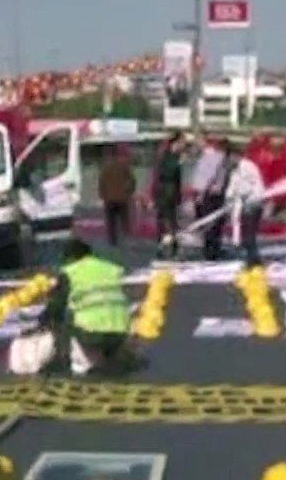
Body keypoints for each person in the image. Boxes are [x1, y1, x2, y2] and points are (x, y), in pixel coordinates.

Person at [39, 238, 134, 374]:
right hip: (121, 331)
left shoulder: (71, 272)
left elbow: (56, 308)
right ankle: (114, 358)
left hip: (91, 333)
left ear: (70, 257)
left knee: (66, 320)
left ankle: (83, 365)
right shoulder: (111, 269)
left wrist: (42, 322)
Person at [225, 142, 267, 266]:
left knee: (249, 235)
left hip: (253, 203)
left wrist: (235, 196)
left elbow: (246, 188)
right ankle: (253, 260)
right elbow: (232, 186)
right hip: (245, 204)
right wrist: (229, 198)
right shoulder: (236, 169)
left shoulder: (247, 167)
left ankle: (254, 262)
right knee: (246, 235)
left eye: (230, 157)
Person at [194, 138, 234, 261]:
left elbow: (209, 177)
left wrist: (200, 192)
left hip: (213, 194)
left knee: (213, 223)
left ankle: (212, 249)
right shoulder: (218, 158)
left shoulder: (213, 157)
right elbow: (211, 177)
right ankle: (211, 251)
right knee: (213, 223)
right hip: (212, 195)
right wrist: (202, 193)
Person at [153, 132, 185, 258]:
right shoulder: (169, 157)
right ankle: (165, 248)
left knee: (170, 222)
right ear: (175, 143)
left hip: (170, 194)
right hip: (166, 194)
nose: (183, 146)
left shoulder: (174, 156)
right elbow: (165, 174)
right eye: (181, 143)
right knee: (167, 222)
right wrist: (178, 163)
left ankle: (169, 248)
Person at [98, 146, 136, 246]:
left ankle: (112, 240)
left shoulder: (105, 169)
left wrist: (103, 196)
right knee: (124, 219)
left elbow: (101, 184)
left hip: (109, 199)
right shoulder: (124, 167)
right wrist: (129, 193)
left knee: (111, 221)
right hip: (122, 198)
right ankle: (126, 237)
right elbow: (132, 181)